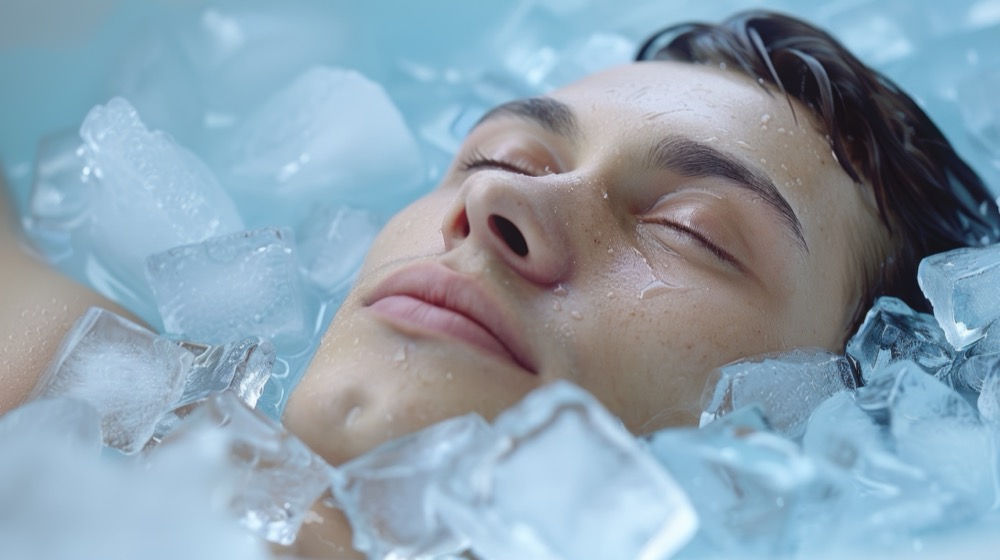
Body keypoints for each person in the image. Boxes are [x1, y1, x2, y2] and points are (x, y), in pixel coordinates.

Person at [0, 9, 997, 558]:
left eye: (690, 231)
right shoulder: (120, 421)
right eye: (500, 156)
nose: (497, 210)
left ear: (855, 440)